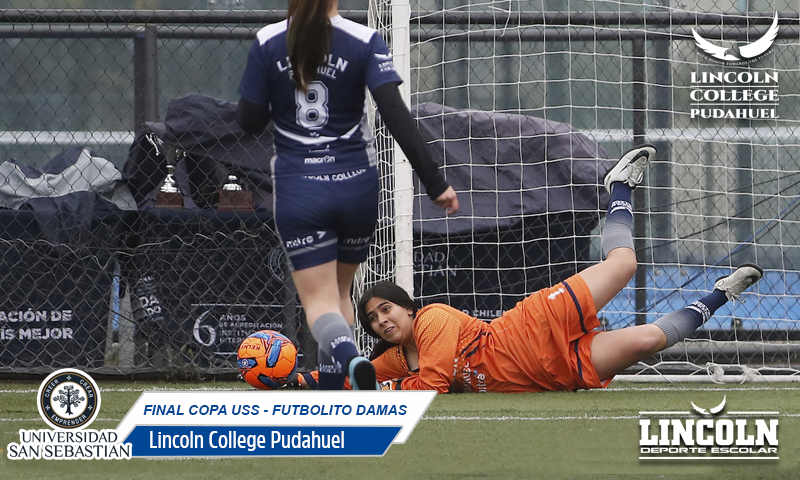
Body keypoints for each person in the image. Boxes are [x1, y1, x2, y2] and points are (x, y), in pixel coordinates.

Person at [354, 145, 763, 393]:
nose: (382, 321)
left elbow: (432, 386)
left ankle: (619, 186)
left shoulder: (432, 321)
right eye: (373, 319)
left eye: (386, 310)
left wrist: (387, 387)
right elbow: (355, 378)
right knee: (650, 340)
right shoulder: (394, 360)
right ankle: (722, 294)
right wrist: (297, 377)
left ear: (407, 307)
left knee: (623, 264)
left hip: (535, 325)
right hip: (555, 374)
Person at [236, 0, 459, 391]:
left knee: (319, 301)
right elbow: (394, 112)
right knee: (341, 293)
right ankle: (335, 391)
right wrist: (435, 181)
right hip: (356, 183)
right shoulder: (364, 38)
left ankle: (351, 358)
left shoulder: (268, 41)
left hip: (300, 186)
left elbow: (249, 119)